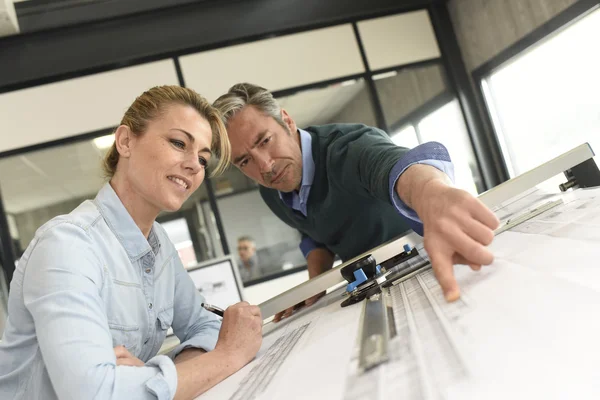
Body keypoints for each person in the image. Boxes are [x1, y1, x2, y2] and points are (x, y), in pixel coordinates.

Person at [0, 86, 262, 400]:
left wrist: (149, 377)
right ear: (125, 141)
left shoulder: (159, 245)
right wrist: (227, 357)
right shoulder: (67, 246)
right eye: (179, 143)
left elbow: (204, 324)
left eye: (203, 159)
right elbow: (96, 394)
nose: (195, 165)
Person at [213, 83, 500, 321]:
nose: (265, 166)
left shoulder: (349, 148)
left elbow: (395, 166)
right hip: (379, 289)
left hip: (438, 263)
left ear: (287, 122)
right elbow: (313, 231)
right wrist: (314, 286)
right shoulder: (270, 190)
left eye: (264, 141)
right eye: (245, 160)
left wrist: (432, 194)